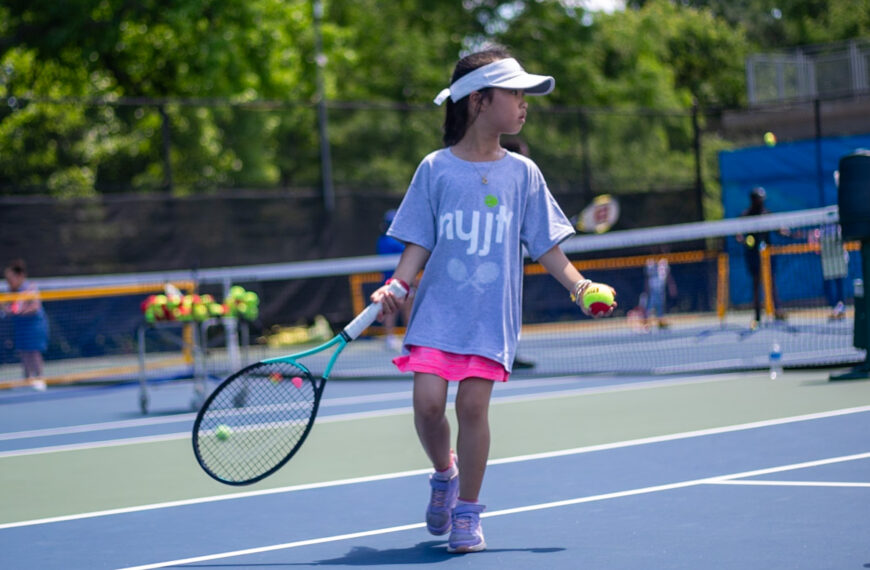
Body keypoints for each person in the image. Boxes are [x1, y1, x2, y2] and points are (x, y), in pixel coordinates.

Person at [370, 46, 616, 554]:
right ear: (478, 102)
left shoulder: (523, 174)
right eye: (515, 93)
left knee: (473, 406)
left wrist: (580, 286)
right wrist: (398, 285)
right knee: (428, 405)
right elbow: (418, 240)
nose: (524, 104)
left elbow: (545, 245)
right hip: (438, 313)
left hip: (489, 319)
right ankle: (445, 475)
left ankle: (467, 513)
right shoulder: (434, 169)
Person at [736, 186, 786, 327]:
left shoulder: (766, 214)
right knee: (756, 283)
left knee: (771, 281)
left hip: (767, 254)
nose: (761, 201)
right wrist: (742, 239)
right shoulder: (746, 215)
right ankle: (757, 315)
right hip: (752, 255)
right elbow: (738, 234)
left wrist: (787, 232)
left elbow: (778, 229)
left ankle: (778, 310)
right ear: (753, 200)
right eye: (759, 199)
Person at [2, 259, 48, 389]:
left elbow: (35, 306)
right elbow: (8, 307)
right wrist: (7, 310)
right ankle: (27, 379)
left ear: (19, 276)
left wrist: (20, 312)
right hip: (20, 325)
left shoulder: (30, 287)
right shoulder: (11, 291)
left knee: (34, 351)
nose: (9, 281)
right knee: (23, 351)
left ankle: (39, 378)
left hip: (34, 325)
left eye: (10, 278)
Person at [376, 209, 414, 351]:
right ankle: (408, 339)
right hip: (400, 283)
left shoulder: (381, 240)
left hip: (389, 282)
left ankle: (390, 337)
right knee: (406, 310)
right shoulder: (397, 243)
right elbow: (409, 260)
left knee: (390, 310)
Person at [642, 255, 677, 329]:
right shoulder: (650, 262)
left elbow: (668, 276)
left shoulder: (664, 262)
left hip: (661, 289)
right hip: (652, 290)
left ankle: (660, 323)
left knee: (660, 306)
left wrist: (671, 286)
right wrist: (646, 289)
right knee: (650, 307)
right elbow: (647, 278)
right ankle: (646, 324)